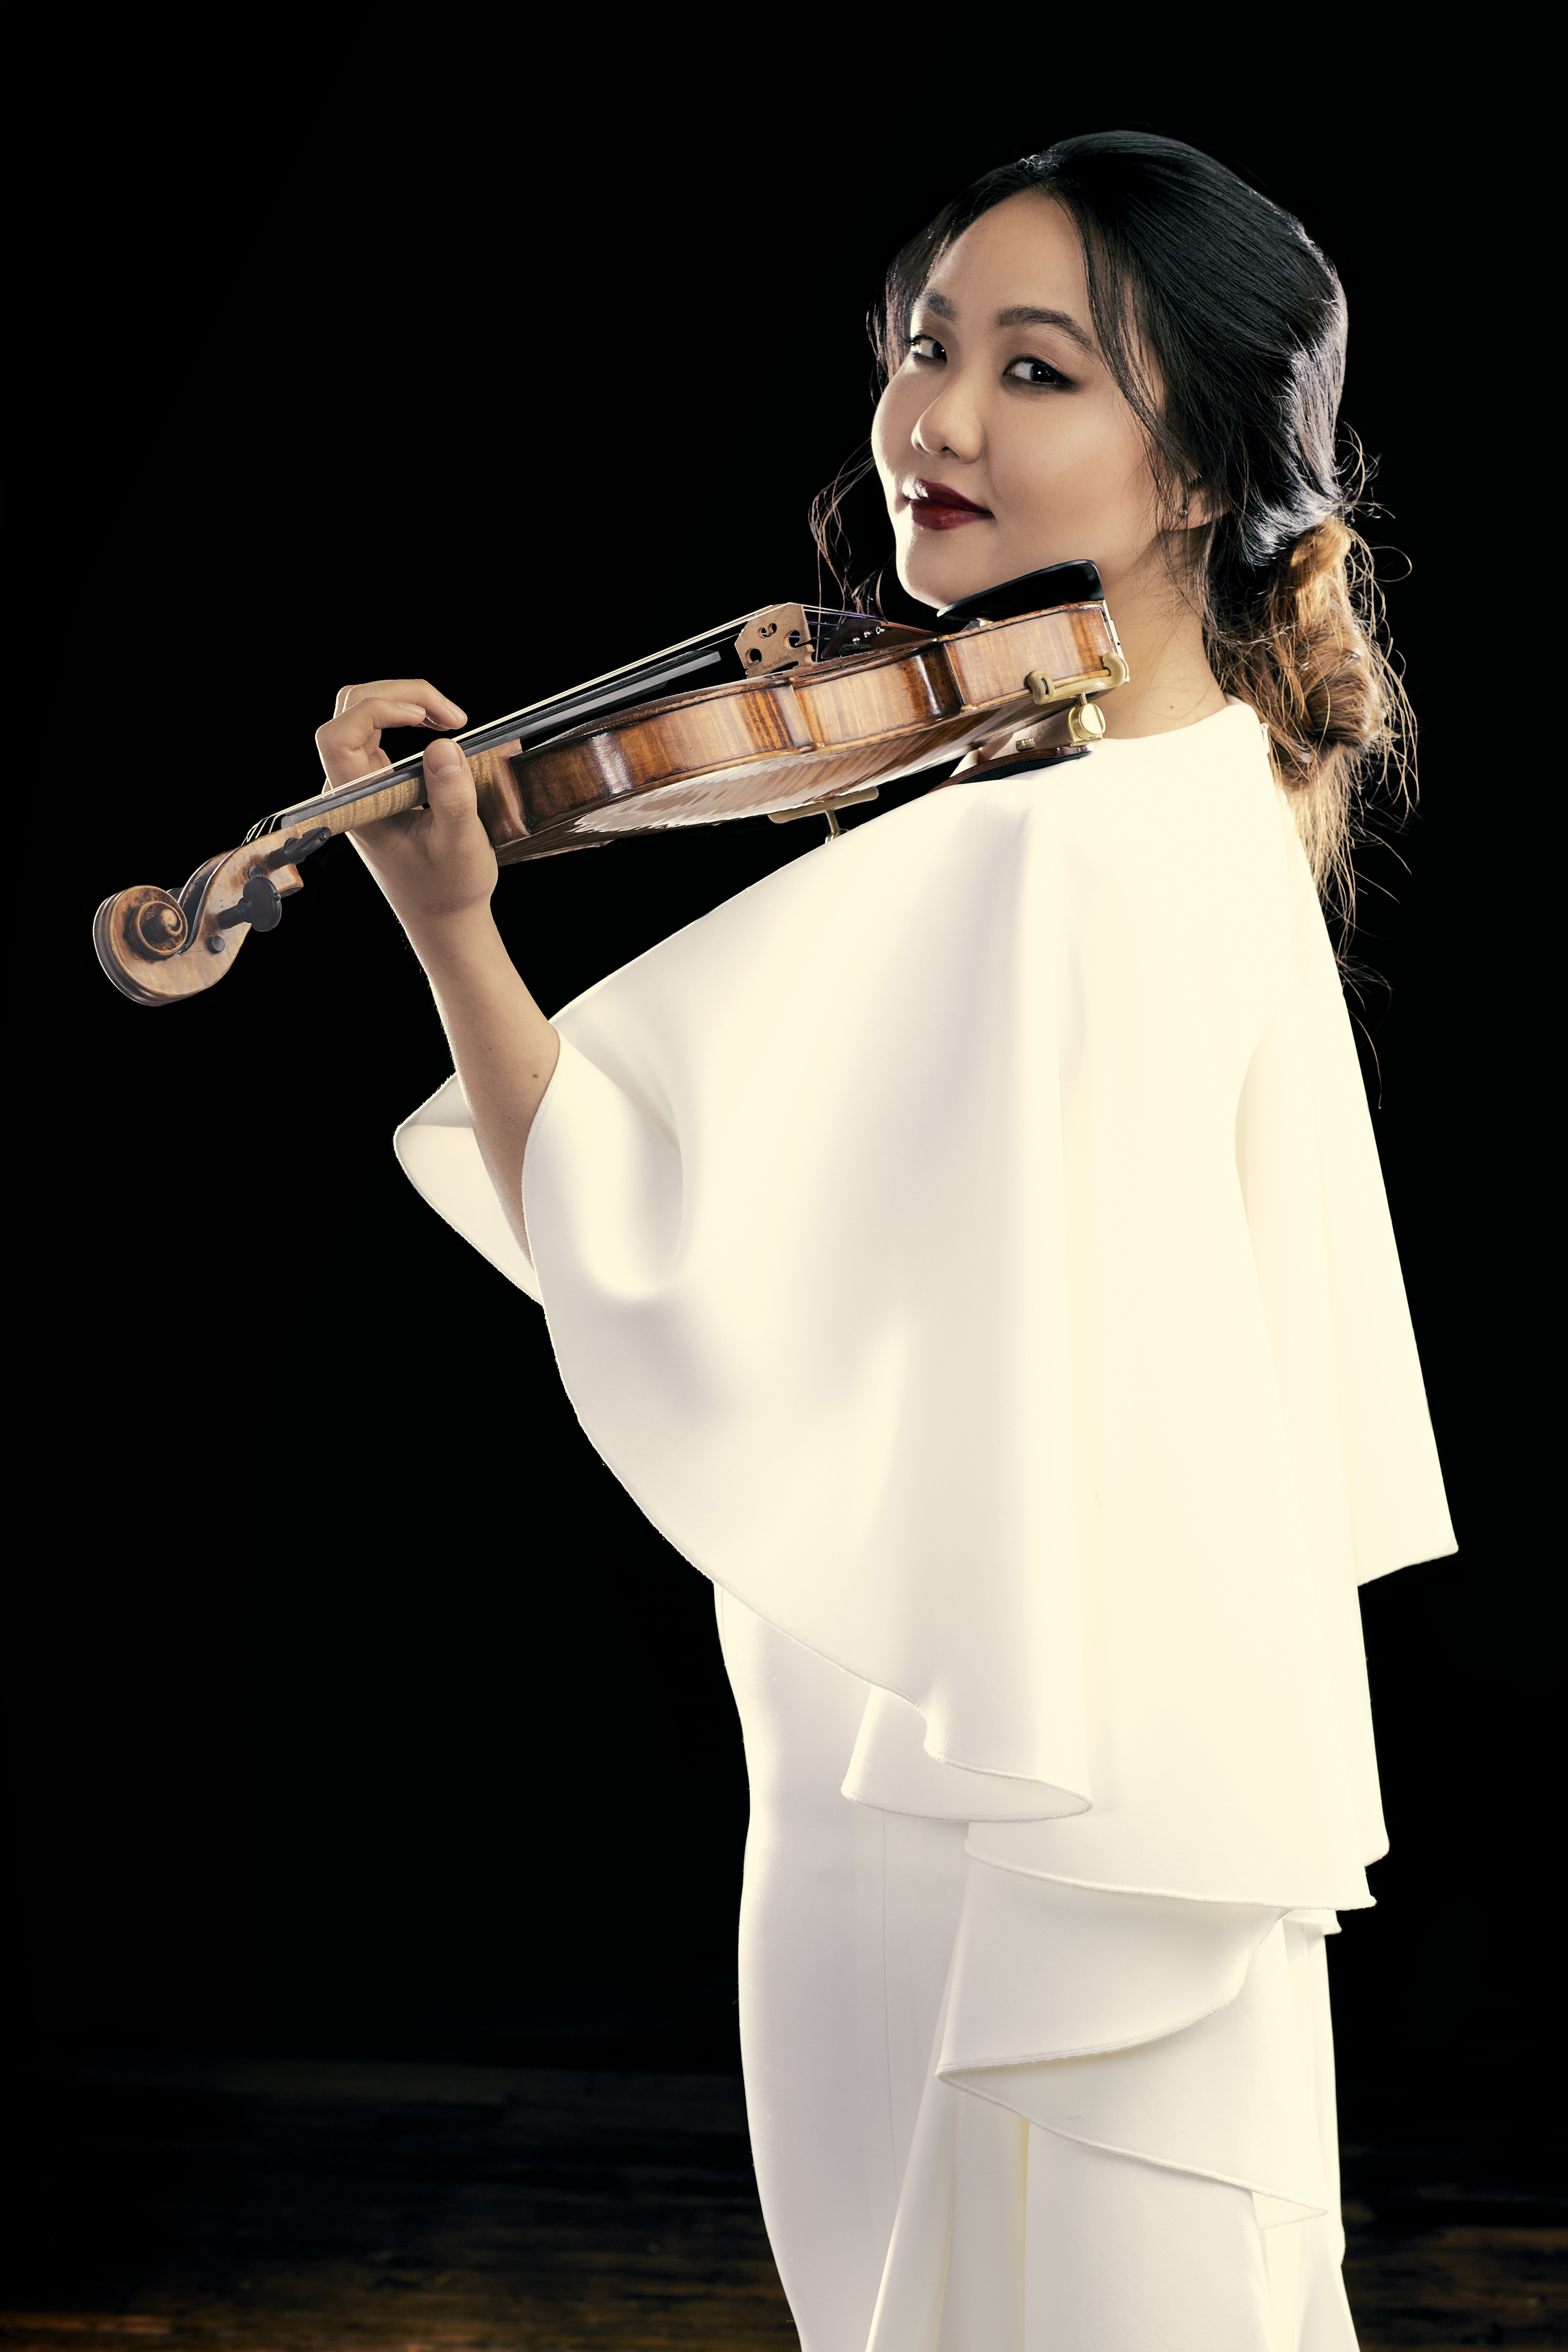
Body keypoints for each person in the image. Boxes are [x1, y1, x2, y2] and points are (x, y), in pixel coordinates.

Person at [317, 133, 1454, 2352]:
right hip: (1117, 1757)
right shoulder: (1202, 795)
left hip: (960, 1779)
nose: (938, 423)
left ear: (1204, 467)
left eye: (1040, 373)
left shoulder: (1045, 858)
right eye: (930, 347)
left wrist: (454, 928)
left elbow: (628, 1233)